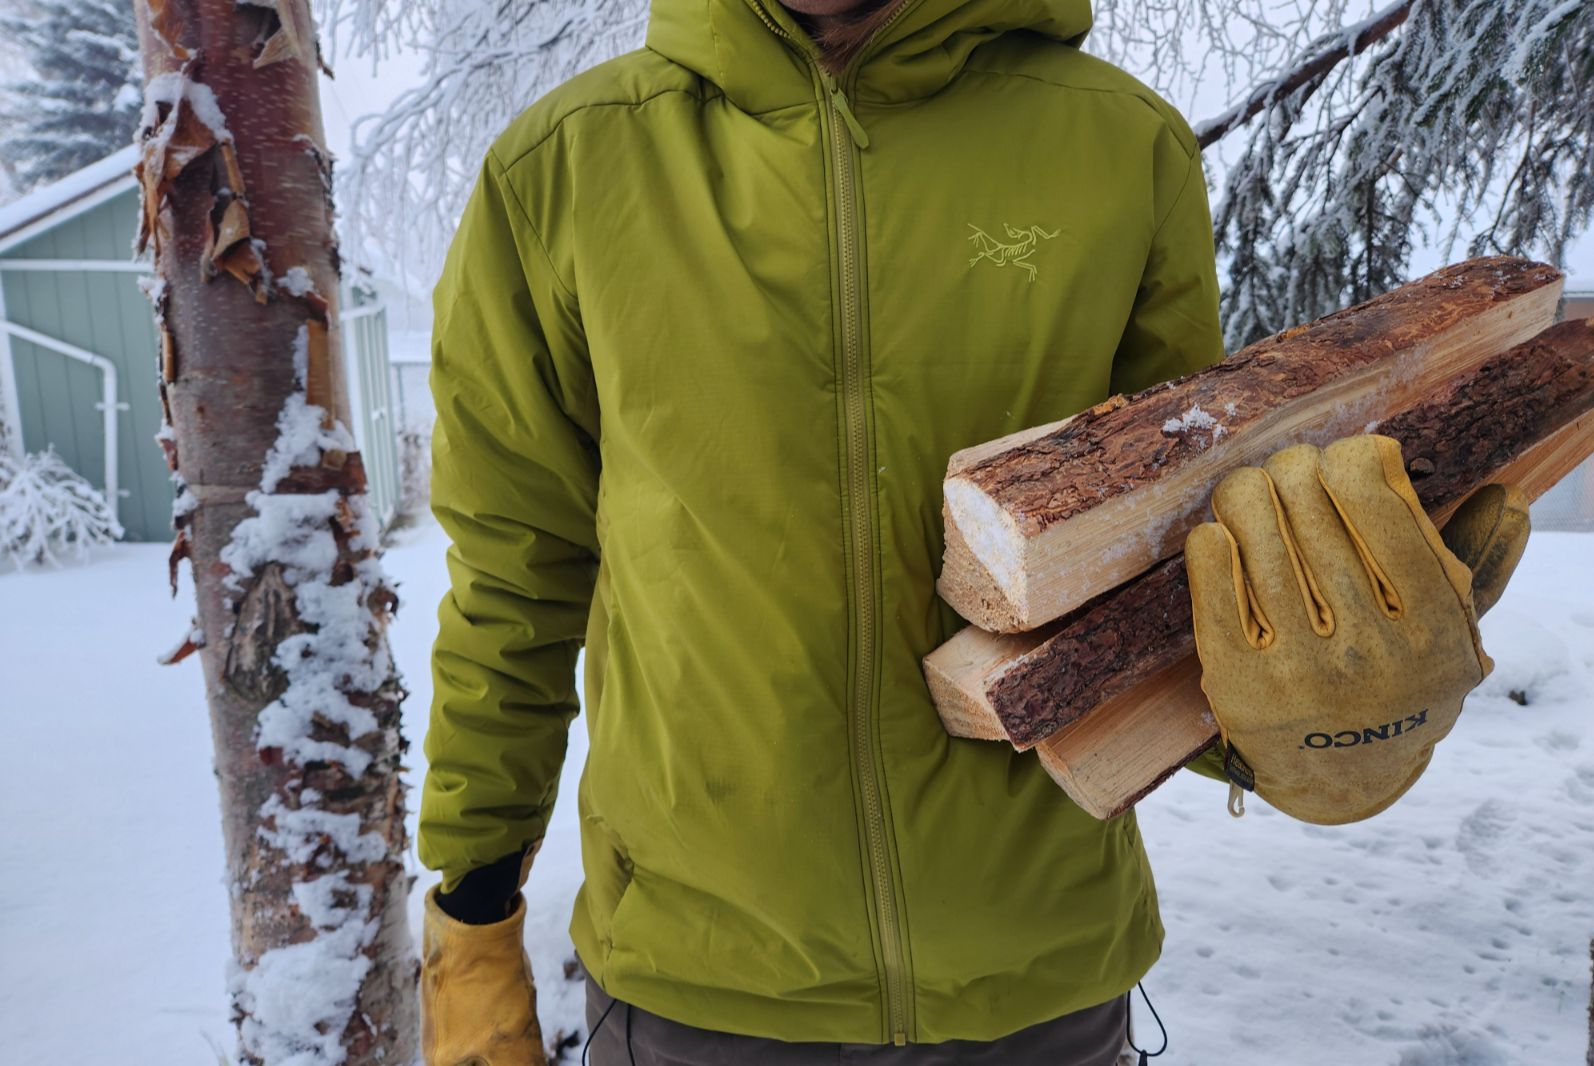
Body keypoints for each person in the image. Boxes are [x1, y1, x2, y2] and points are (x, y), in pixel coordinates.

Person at [414, 0, 1522, 1062]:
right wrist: (472, 904)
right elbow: (517, 573)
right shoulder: (565, 168)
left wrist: (1296, 729)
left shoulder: (1113, 145)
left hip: (1036, 979)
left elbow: (1173, 551)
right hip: (700, 984)